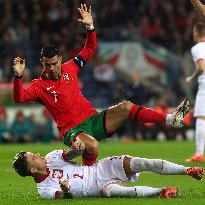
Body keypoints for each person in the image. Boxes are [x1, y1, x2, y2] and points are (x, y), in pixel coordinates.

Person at [13, 4, 190, 166]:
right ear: (42, 63)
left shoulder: (70, 67)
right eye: (46, 64)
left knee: (126, 106)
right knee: (91, 145)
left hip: (94, 120)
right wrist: (18, 77)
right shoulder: (39, 85)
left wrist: (90, 27)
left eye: (54, 63)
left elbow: (89, 49)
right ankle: (86, 176)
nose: (51, 68)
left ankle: (170, 119)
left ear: (60, 59)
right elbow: (19, 97)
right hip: (72, 130)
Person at [12, 149, 204, 199]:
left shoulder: (52, 157)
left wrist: (78, 149)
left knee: (142, 162)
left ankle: (188, 170)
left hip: (100, 168)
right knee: (116, 193)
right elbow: (64, 197)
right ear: (33, 170)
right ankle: (161, 191)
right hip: (97, 188)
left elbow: (71, 153)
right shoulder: (44, 189)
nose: (37, 155)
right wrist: (67, 191)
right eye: (32, 158)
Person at [185, 22, 205, 162]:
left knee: (201, 118)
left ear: (196, 32)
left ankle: (199, 154)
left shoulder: (197, 48)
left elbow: (201, 67)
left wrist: (191, 77)